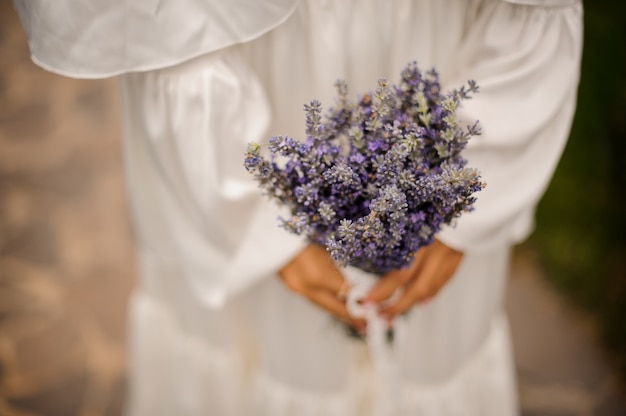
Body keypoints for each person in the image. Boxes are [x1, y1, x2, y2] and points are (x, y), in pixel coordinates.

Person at [14, 0, 583, 414]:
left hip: (445, 42)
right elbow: (149, 22)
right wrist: (240, 202)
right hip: (239, 51)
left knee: (428, 342)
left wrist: (465, 179)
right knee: (260, 341)